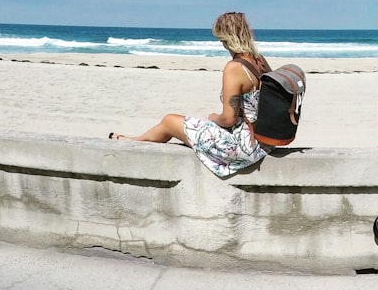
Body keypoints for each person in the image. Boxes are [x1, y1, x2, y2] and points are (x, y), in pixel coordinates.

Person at [109, 12, 268, 178]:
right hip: (261, 142)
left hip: (242, 148)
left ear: (227, 38)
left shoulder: (234, 68)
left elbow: (229, 119)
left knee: (169, 120)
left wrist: (214, 118)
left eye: (221, 39)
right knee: (179, 122)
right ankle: (136, 139)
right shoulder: (259, 61)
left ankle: (133, 142)